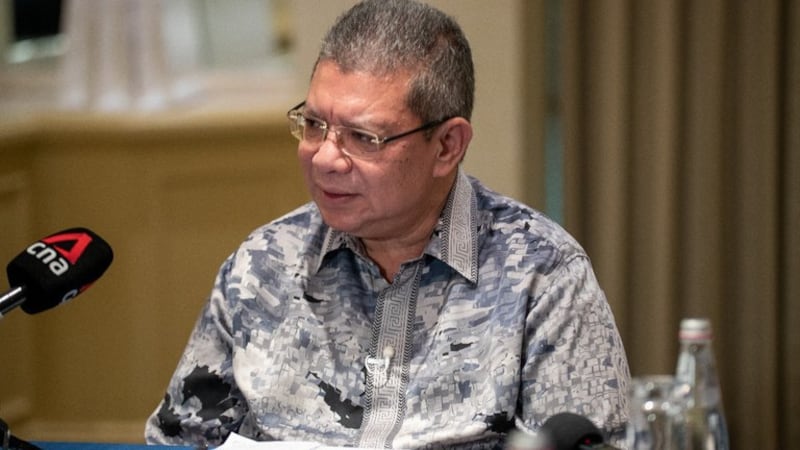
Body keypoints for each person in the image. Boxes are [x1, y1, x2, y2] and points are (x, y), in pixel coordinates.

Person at [144, 0, 630, 448]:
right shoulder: (263, 265)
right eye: (314, 125)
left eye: (364, 137)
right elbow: (178, 440)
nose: (326, 158)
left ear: (447, 146)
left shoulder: (543, 278)